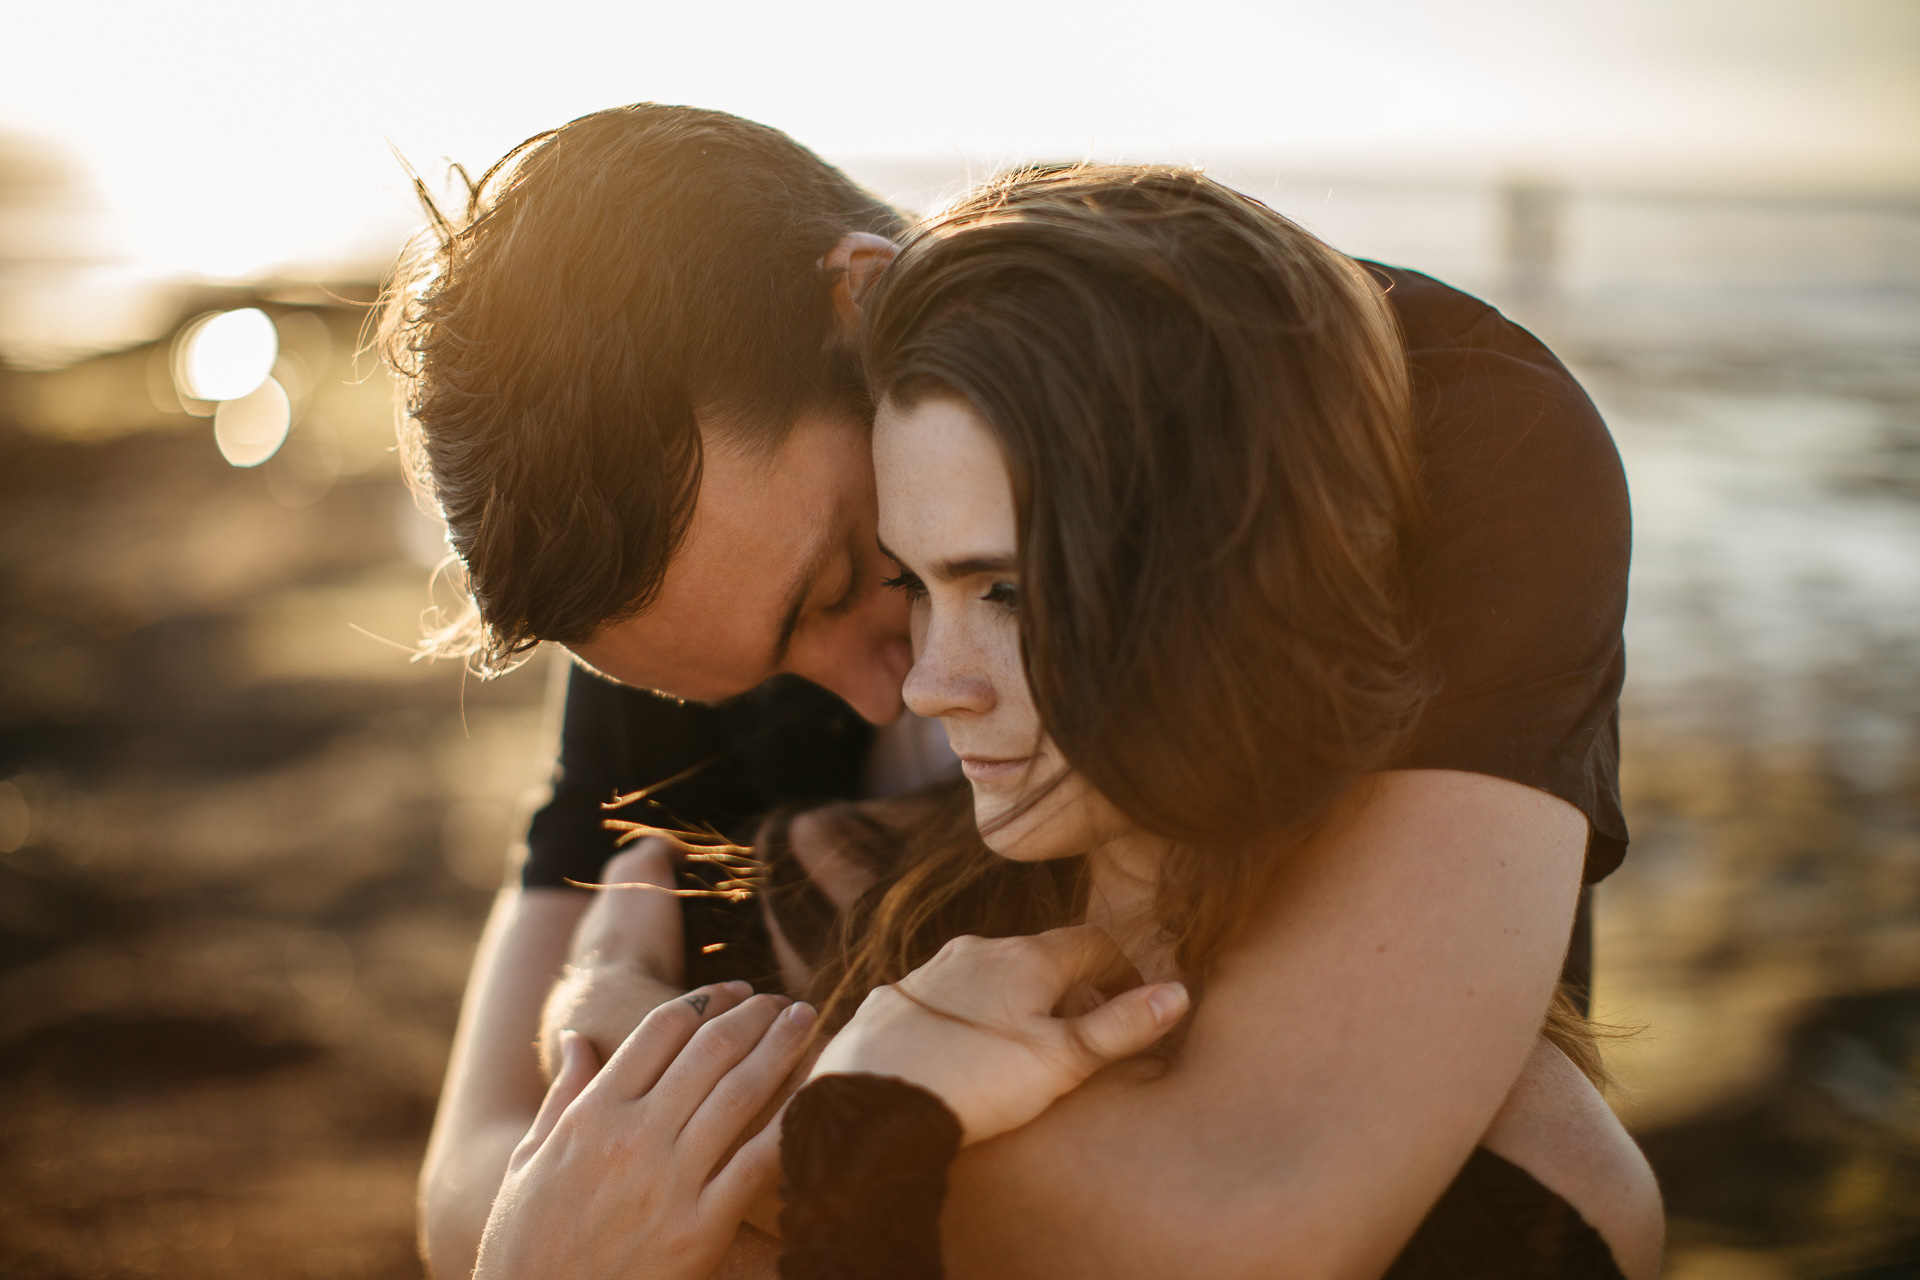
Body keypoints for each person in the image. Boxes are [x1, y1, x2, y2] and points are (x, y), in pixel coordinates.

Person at [380, 105, 1633, 1278]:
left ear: (862, 299)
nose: (895, 695)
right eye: (753, 677)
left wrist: (690, 1092)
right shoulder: (702, 566)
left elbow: (1275, 1206)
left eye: (840, 586)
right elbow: (474, 1183)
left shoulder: (1455, 434)